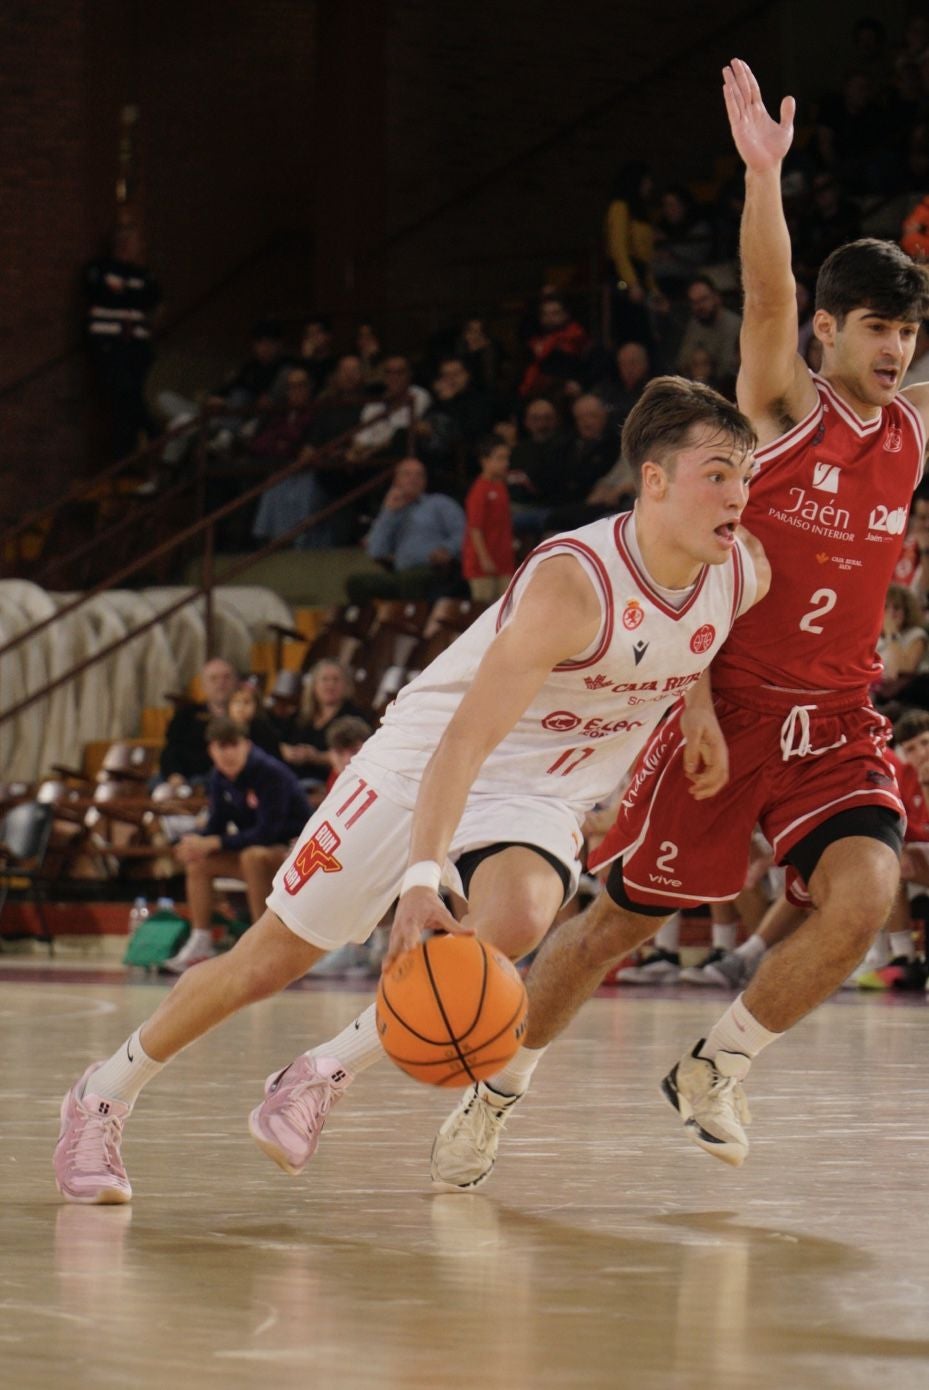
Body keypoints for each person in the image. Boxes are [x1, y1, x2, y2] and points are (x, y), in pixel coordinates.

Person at [52, 374, 767, 1203]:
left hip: (540, 790)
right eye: (716, 474)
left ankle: (321, 1072)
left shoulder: (739, 571)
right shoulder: (572, 587)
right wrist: (423, 880)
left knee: (522, 916)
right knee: (268, 960)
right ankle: (103, 1092)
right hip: (425, 760)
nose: (738, 496)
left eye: (744, 476)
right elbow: (464, 741)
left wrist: (699, 713)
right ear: (653, 480)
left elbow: (698, 635)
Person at [425, 57, 929, 1193]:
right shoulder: (780, 412)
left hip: (838, 713)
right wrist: (761, 178)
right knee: (613, 926)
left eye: (906, 332)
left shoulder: (911, 427)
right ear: (830, 332)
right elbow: (762, 300)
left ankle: (716, 1063)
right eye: (872, 330)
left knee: (862, 897)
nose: (892, 352)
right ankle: (496, 1085)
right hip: (728, 702)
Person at [161, 718, 311, 974]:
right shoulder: (218, 778)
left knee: (252, 857)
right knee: (200, 860)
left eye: (233, 745)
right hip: (256, 853)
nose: (227, 753)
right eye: (221, 746)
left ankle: (264, 946)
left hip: (295, 854)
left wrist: (215, 841)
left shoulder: (269, 772)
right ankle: (201, 941)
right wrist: (196, 842)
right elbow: (215, 827)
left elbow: (267, 833)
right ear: (211, 750)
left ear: (247, 745)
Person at [345, 458, 466, 604]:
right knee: (356, 582)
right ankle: (369, 624)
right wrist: (389, 512)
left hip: (434, 570)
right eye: (407, 474)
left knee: (410, 580)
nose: (413, 479)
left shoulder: (439, 504)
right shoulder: (391, 511)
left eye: (419, 475)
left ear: (425, 480)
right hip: (400, 574)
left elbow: (463, 532)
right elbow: (375, 551)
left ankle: (411, 624)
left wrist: (448, 549)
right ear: (396, 480)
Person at [279, 660, 369, 782]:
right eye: (325, 679)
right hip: (291, 777)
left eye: (336, 679)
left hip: (329, 781)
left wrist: (316, 757)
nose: (330, 684)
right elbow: (279, 740)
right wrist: (286, 751)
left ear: (346, 685)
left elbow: (357, 756)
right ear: (314, 685)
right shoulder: (300, 715)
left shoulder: (355, 717)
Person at [157, 657, 239, 789]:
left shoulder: (247, 716)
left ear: (236, 682)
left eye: (226, 677)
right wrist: (174, 774)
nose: (221, 683)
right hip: (188, 778)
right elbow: (171, 749)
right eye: (214, 678)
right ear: (204, 685)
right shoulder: (186, 715)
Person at [462, 437, 515, 602]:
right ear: (485, 461)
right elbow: (475, 528)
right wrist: (484, 558)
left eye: (506, 458)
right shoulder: (479, 490)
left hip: (503, 561)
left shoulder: (501, 487)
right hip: (482, 565)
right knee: (484, 610)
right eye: (499, 458)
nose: (505, 463)